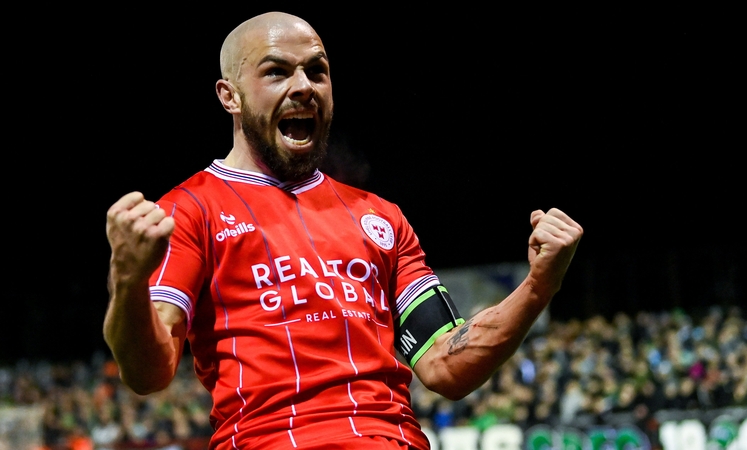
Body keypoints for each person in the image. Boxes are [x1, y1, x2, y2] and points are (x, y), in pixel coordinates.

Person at [103, 11, 583, 450]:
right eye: (277, 72)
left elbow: (445, 365)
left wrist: (539, 285)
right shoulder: (188, 211)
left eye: (317, 71)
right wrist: (128, 280)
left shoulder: (381, 217)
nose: (304, 86)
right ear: (230, 96)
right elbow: (148, 373)